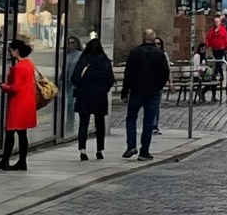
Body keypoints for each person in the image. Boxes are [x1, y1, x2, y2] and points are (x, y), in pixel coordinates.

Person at [121, 28, 170, 158]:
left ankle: (131, 145)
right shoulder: (159, 54)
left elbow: (128, 74)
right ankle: (144, 151)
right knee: (148, 122)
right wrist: (158, 86)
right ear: (154, 39)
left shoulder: (134, 53)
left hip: (136, 91)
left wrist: (125, 92)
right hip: (152, 91)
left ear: (143, 38)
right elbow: (165, 72)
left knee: (131, 118)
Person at [0, 38, 37, 171]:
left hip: (18, 104)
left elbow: (15, 88)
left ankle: (5, 160)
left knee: (10, 133)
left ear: (16, 51)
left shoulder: (18, 67)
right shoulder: (29, 64)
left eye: (11, 50)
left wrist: (4, 86)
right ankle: (21, 161)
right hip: (28, 102)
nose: (10, 53)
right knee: (22, 134)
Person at [71, 38, 115, 160]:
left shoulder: (84, 61)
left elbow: (74, 78)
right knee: (100, 123)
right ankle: (99, 150)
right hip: (100, 96)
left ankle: (83, 150)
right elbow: (110, 80)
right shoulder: (105, 62)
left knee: (83, 123)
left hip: (84, 95)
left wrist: (81, 86)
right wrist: (103, 89)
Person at [64, 35, 83, 119]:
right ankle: (69, 119)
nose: (71, 45)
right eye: (69, 43)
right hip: (67, 81)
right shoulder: (67, 55)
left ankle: (70, 120)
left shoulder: (79, 54)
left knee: (71, 102)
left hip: (75, 81)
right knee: (69, 101)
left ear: (77, 43)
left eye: (73, 43)